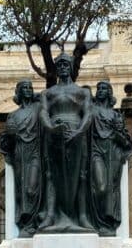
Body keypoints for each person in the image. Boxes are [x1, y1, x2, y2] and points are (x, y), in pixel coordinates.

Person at [39, 53, 94, 232]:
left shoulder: (83, 92)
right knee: (51, 175)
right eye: (60, 65)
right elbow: (43, 113)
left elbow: (88, 114)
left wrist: (79, 132)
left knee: (81, 175)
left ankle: (82, 216)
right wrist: (51, 128)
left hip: (77, 134)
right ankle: (50, 215)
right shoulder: (48, 93)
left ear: (71, 67)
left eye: (65, 64)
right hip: (54, 135)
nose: (62, 67)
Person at [0, 80, 42, 237]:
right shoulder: (13, 115)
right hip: (20, 153)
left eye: (30, 88)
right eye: (24, 88)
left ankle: (36, 220)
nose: (28, 90)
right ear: (19, 92)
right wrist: (11, 134)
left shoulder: (39, 108)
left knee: (32, 188)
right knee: (22, 189)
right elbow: (8, 138)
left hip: (35, 152)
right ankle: (26, 223)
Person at [90, 81, 132, 236]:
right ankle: (96, 221)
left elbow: (125, 139)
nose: (100, 91)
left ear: (109, 93)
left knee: (111, 187)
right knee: (100, 186)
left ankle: (108, 222)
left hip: (113, 152)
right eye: (99, 88)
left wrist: (117, 134)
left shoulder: (116, 115)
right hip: (96, 151)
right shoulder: (91, 111)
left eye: (104, 88)